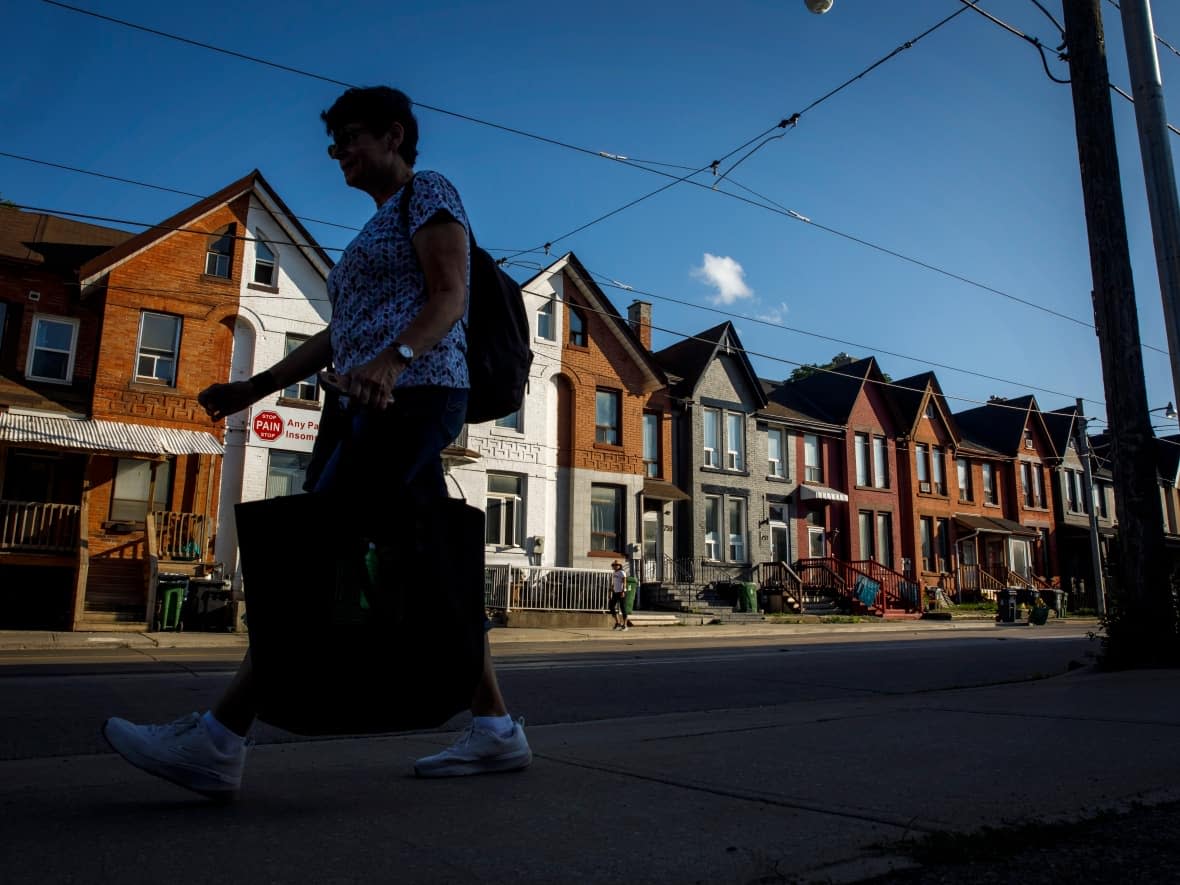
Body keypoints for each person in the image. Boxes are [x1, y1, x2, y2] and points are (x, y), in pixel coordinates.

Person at [102, 86, 531, 799]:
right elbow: (341, 334)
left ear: (394, 136)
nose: (340, 155)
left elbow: (450, 293)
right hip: (371, 404)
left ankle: (219, 738)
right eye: (335, 144)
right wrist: (255, 385)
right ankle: (495, 727)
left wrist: (393, 362)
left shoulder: (429, 191)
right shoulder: (376, 230)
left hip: (414, 398)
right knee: (433, 566)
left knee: (315, 554)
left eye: (352, 138)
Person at [609, 561, 628, 631]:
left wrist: (623, 591)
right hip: (615, 592)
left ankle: (625, 625)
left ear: (620, 565)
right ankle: (618, 623)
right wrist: (610, 591)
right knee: (611, 606)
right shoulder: (614, 573)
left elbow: (624, 582)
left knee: (623, 608)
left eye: (617, 565)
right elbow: (614, 583)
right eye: (614, 565)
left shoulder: (622, 572)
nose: (615, 566)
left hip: (621, 592)